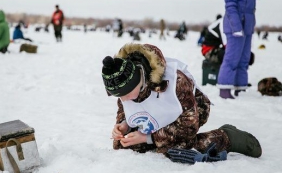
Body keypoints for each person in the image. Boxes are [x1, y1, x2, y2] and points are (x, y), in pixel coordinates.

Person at [101, 43, 262, 162]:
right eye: (119, 97)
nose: (124, 100)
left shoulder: (175, 81)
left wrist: (148, 138)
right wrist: (123, 125)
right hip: (155, 116)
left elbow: (188, 126)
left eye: (127, 94)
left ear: (138, 80)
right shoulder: (125, 87)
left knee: (175, 148)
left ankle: (225, 137)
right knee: (125, 146)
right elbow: (126, 108)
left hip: (192, 111)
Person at [217, 0, 264, 99]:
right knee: (232, 59)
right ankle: (224, 90)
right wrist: (236, 27)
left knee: (244, 59)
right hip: (235, 26)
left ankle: (241, 88)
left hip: (248, 25)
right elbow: (230, 6)